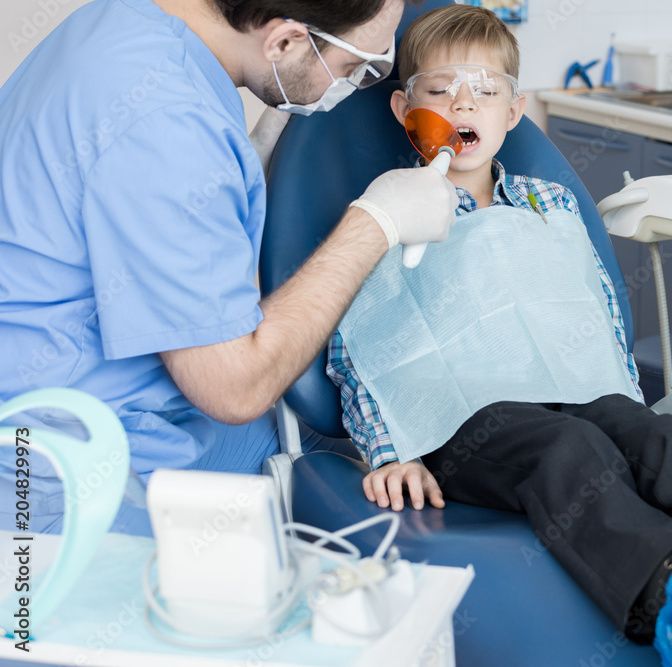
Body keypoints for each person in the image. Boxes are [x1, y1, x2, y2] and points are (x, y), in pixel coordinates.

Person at [327, 5, 672, 666]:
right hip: (465, 421)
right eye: (441, 89)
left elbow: (593, 306)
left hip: (574, 389)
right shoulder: (389, 205)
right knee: (567, 449)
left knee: (657, 438)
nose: (464, 103)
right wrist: (386, 449)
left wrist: (623, 402)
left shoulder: (552, 204)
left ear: (513, 112)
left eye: (485, 91)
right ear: (404, 107)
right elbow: (360, 333)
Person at [0, 0, 460, 534]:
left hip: (57, 393)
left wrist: (233, 177)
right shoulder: (171, 124)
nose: (357, 82)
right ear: (284, 41)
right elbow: (234, 389)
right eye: (355, 66)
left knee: (339, 442)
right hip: (66, 466)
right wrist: (375, 224)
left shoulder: (117, 20)